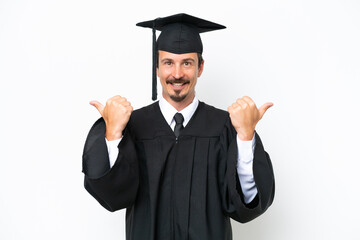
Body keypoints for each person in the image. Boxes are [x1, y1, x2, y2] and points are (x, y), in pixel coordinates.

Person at [82, 13, 275, 240]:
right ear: (156, 68)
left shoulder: (225, 127)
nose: (177, 74)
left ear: (200, 67)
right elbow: (113, 197)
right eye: (168, 63)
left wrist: (245, 136)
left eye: (187, 63)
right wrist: (113, 134)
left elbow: (245, 206)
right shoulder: (132, 127)